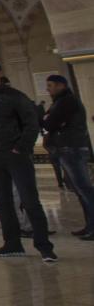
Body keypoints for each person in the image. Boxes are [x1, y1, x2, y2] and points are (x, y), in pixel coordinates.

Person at [0, 58, 57, 262]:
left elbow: (31, 123)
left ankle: (44, 247)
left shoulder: (15, 96)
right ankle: (12, 244)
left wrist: (20, 148)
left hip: (16, 154)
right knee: (3, 202)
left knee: (29, 200)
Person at [43, 74, 94, 240]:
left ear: (61, 85)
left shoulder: (66, 101)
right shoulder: (62, 101)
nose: (48, 89)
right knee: (80, 190)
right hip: (68, 147)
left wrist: (47, 120)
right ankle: (90, 225)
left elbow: (49, 123)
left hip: (71, 147)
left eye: (50, 85)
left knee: (84, 189)